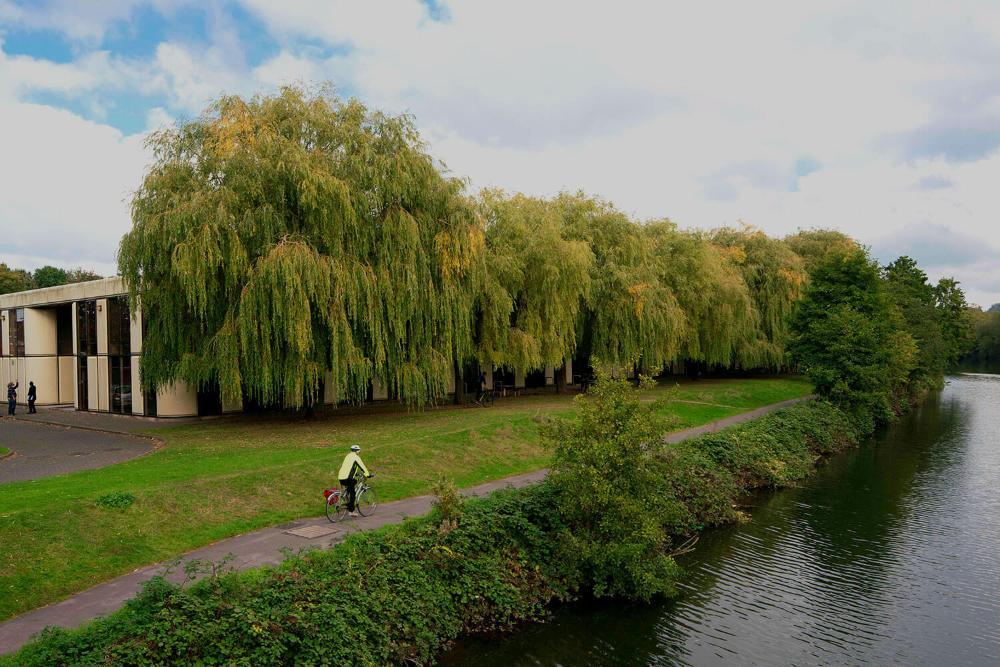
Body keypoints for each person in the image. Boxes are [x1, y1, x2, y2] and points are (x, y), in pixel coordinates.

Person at [338, 444, 372, 517]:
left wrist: (355, 474)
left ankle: (346, 498)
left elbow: (348, 467)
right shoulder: (356, 457)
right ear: (358, 451)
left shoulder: (348, 456)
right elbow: (362, 467)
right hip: (348, 478)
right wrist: (367, 474)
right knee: (353, 492)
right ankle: (351, 511)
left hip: (341, 477)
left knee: (352, 485)